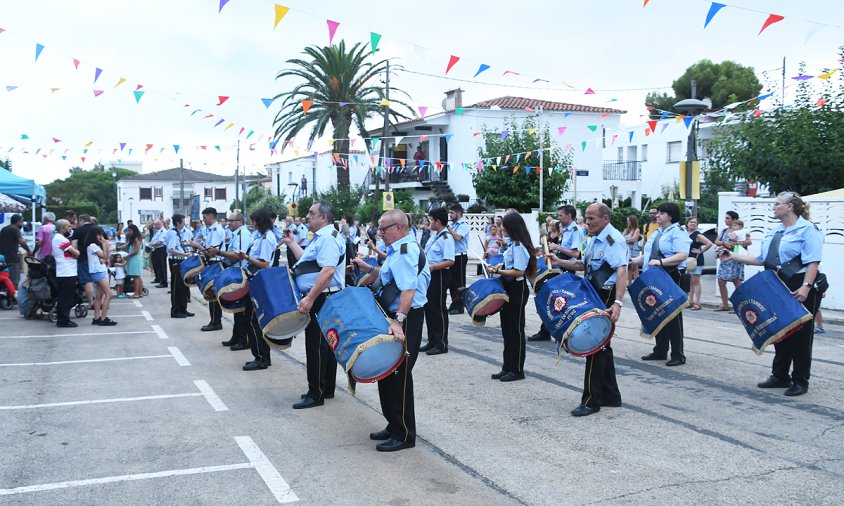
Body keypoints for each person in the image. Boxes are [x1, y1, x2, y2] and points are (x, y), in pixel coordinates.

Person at [720, 192, 823, 397]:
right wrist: (733, 256)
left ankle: (800, 379)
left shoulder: (808, 230)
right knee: (780, 331)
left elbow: (813, 261)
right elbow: (762, 259)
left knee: (801, 336)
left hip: (800, 283)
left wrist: (806, 287)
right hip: (777, 284)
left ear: (790, 207)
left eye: (777, 204)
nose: (773, 207)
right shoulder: (775, 232)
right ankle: (780, 376)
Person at [351, 209, 429, 452]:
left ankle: (404, 434)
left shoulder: (406, 252)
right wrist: (368, 268)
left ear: (399, 228)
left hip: (405, 316)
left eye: (383, 229)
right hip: (394, 315)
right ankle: (393, 424)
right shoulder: (398, 251)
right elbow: (388, 278)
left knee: (399, 375)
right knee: (387, 372)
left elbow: (408, 290)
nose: (379, 233)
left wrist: (399, 321)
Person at [554, 203, 626, 416]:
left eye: (592, 218)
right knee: (603, 347)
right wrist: (558, 261)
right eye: (586, 218)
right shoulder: (593, 239)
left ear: (605, 218)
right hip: (593, 292)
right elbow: (584, 267)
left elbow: (621, 271)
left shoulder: (614, 240)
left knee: (594, 346)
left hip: (606, 294)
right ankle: (611, 395)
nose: (587, 223)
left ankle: (591, 400)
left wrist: (618, 302)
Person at [286, 201, 345, 407]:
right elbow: (307, 262)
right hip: (323, 295)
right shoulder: (322, 237)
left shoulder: (328, 239)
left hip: (323, 296)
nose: (307, 216)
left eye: (311, 213)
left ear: (324, 218)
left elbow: (327, 271)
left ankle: (315, 393)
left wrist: (310, 298)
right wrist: (292, 243)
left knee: (317, 345)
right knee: (326, 345)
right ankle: (326, 387)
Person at [632, 202, 691, 367]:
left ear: (671, 216)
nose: (657, 216)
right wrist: (632, 261)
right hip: (653, 276)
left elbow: (682, 255)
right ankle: (660, 349)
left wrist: (661, 262)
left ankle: (678, 354)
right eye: (657, 213)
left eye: (662, 213)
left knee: (673, 316)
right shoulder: (657, 232)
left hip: (670, 275)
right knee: (657, 312)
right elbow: (647, 256)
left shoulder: (678, 232)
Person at [488, 213, 536, 382]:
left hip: (517, 288)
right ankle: (507, 366)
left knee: (515, 330)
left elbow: (519, 271)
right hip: (508, 286)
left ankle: (517, 369)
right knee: (506, 329)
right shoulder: (512, 245)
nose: (501, 229)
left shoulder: (519, 246)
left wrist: (498, 271)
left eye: (504, 226)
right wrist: (498, 267)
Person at [530, 205, 581, 342]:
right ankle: (546, 330)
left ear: (569, 216)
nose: (558, 218)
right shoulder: (566, 230)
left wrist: (557, 247)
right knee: (551, 299)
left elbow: (576, 254)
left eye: (561, 215)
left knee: (562, 301)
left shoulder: (576, 230)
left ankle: (562, 332)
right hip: (559, 265)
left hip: (567, 268)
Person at [238, 209, 277, 371]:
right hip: (255, 281)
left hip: (261, 282)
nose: (252, 224)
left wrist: (247, 258)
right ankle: (259, 355)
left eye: (254, 221)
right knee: (251, 320)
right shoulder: (261, 236)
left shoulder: (268, 238)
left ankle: (262, 357)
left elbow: (265, 263)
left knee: (255, 321)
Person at [207, 213, 253, 351]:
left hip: (241, 274)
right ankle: (236, 336)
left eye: (232, 221)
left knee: (241, 309)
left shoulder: (242, 235)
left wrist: (219, 252)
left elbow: (238, 255)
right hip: (235, 273)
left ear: (240, 221)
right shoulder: (236, 234)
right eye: (228, 221)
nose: (229, 223)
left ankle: (243, 340)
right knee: (237, 309)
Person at [419, 207, 455, 356]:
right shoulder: (436, 236)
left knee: (438, 309)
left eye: (431, 220)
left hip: (439, 275)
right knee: (429, 308)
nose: (430, 222)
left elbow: (450, 261)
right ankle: (432, 340)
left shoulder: (447, 238)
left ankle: (441, 343)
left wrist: (433, 267)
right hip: (430, 275)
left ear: (438, 221)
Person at [188, 208, 226, 332]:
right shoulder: (210, 230)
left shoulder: (215, 230)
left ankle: (216, 321)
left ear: (211, 216)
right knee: (210, 292)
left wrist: (197, 246)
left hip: (215, 263)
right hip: (211, 263)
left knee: (213, 293)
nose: (203, 220)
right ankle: (214, 320)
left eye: (204, 217)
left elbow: (211, 252)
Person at [714, 211, 751, 311]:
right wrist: (724, 243)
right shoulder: (724, 231)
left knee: (737, 281)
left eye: (728, 218)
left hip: (735, 258)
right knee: (721, 281)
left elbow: (749, 241)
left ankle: (741, 306)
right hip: (725, 258)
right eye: (725, 218)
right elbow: (717, 241)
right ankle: (725, 304)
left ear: (734, 220)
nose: (725, 220)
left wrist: (736, 243)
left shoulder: (741, 231)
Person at [51, 219, 80, 328]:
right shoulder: (60, 239)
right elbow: (75, 253)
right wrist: (76, 252)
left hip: (67, 270)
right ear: (62, 228)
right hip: (66, 271)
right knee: (65, 297)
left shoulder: (60, 239)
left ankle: (63, 319)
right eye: (68, 226)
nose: (70, 228)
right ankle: (63, 320)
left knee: (65, 296)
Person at [85, 226, 116, 326]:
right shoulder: (93, 245)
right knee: (109, 294)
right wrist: (105, 244)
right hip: (98, 272)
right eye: (100, 235)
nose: (101, 237)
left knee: (99, 296)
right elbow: (105, 256)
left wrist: (104, 246)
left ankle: (96, 317)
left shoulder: (93, 246)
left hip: (97, 271)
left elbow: (104, 258)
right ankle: (104, 318)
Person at [165, 215, 194, 318]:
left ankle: (183, 309)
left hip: (183, 260)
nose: (184, 223)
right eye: (182, 222)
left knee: (183, 286)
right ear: (178, 223)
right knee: (176, 286)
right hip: (175, 260)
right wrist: (184, 254)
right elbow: (170, 249)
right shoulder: (172, 233)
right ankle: (175, 310)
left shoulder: (184, 232)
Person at [447, 204, 470, 315]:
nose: (450, 215)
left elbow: (457, 237)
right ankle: (454, 303)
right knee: (452, 282)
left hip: (460, 256)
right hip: (452, 256)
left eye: (452, 213)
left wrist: (448, 227)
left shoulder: (463, 225)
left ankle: (460, 305)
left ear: (458, 213)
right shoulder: (453, 224)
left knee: (459, 282)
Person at [686, 216, 713, 310]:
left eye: (695, 222)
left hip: (696, 260)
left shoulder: (697, 235)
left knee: (696, 281)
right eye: (691, 222)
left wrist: (700, 251)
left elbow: (709, 243)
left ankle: (697, 303)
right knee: (690, 281)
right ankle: (690, 301)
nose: (693, 224)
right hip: (687, 260)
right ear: (687, 223)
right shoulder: (686, 234)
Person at [0, 214, 32, 287]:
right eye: (21, 222)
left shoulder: (4, 229)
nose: (21, 224)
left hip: (3, 259)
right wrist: (28, 251)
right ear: (17, 222)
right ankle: (14, 295)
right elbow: (21, 241)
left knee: (4, 278)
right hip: (13, 258)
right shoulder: (15, 229)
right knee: (15, 280)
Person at [72, 214, 96, 309]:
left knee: (87, 281)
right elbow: (105, 242)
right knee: (99, 281)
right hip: (97, 257)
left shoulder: (78, 231)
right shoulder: (97, 229)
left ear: (82, 220)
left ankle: (91, 302)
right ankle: (101, 300)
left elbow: (73, 246)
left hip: (83, 258)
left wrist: (74, 256)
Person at [148, 220, 168, 287]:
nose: (155, 226)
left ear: (160, 224)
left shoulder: (163, 231)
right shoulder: (157, 231)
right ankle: (158, 278)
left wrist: (151, 244)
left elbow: (159, 242)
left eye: (156, 225)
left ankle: (164, 282)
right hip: (155, 249)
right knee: (156, 265)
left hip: (161, 249)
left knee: (162, 266)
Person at [623, 215, 641, 284]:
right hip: (628, 250)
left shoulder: (637, 230)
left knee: (635, 267)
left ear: (632, 221)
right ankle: (629, 283)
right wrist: (627, 240)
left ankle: (636, 282)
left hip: (634, 250)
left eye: (629, 221)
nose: (628, 222)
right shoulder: (626, 230)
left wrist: (626, 240)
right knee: (629, 267)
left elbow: (633, 240)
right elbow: (622, 238)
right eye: (627, 221)